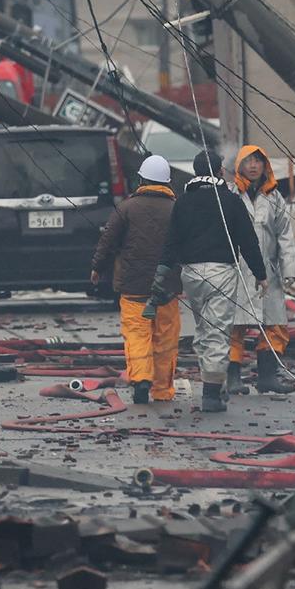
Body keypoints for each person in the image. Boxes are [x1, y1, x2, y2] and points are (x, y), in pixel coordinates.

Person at [155, 151, 267, 412]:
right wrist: (260, 274)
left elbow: (171, 242)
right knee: (217, 332)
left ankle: (213, 383)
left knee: (204, 329)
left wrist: (161, 273)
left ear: (195, 172)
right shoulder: (230, 201)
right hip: (221, 273)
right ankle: (212, 394)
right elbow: (248, 241)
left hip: (191, 275)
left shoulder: (182, 203)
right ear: (219, 171)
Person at [91, 154, 182, 404]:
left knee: (137, 334)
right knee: (165, 338)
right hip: (167, 290)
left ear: (141, 179)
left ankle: (141, 379)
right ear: (167, 182)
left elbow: (107, 241)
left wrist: (97, 268)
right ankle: (162, 390)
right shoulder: (177, 209)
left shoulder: (127, 208)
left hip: (133, 288)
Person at [227, 145, 295, 395]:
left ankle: (267, 377)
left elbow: (285, 235)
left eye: (258, 161)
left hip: (268, 272)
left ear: (265, 165)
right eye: (248, 161)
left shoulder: (275, 197)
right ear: (239, 165)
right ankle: (233, 377)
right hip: (236, 269)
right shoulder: (230, 194)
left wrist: (289, 269)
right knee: (234, 325)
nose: (253, 165)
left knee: (275, 324)